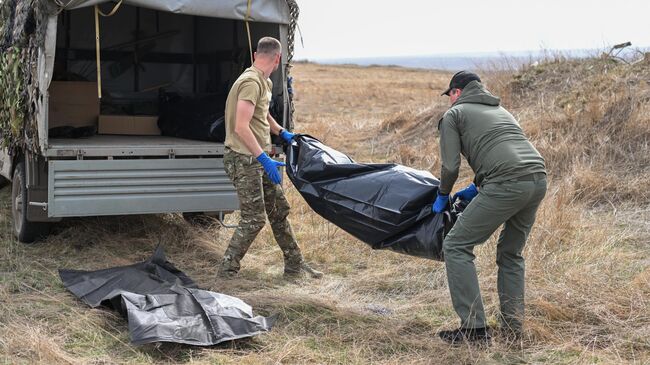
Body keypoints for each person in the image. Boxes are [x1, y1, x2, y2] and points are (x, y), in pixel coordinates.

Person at [433, 71, 547, 345]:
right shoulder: (501, 110)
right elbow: (504, 149)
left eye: (450, 95)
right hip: (537, 178)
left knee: (456, 245)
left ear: (456, 92)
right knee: (511, 253)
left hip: (506, 183)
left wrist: (442, 195)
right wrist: (476, 187)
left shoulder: (454, 115)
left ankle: (474, 330)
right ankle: (513, 328)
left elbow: (449, 167)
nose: (449, 100)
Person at [218, 36, 323, 279]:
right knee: (254, 219)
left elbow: (261, 114)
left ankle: (295, 265)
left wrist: (281, 132)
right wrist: (263, 159)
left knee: (278, 211)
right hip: (244, 159)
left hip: (257, 157)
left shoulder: (262, 81)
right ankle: (226, 273)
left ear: (256, 55)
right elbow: (241, 127)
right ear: (278, 59)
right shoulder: (250, 83)